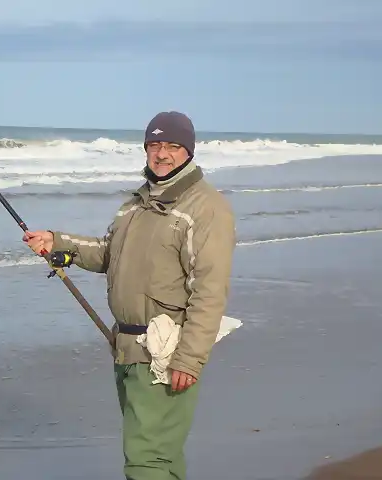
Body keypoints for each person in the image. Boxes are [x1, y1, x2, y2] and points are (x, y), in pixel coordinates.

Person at [23, 111, 236, 480]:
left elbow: (210, 289)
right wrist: (58, 243)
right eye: (154, 145)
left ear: (188, 151)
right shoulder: (136, 205)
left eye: (172, 146)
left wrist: (189, 359)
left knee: (145, 459)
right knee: (161, 456)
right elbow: (108, 253)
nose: (162, 153)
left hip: (164, 352)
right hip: (126, 347)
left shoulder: (204, 207)